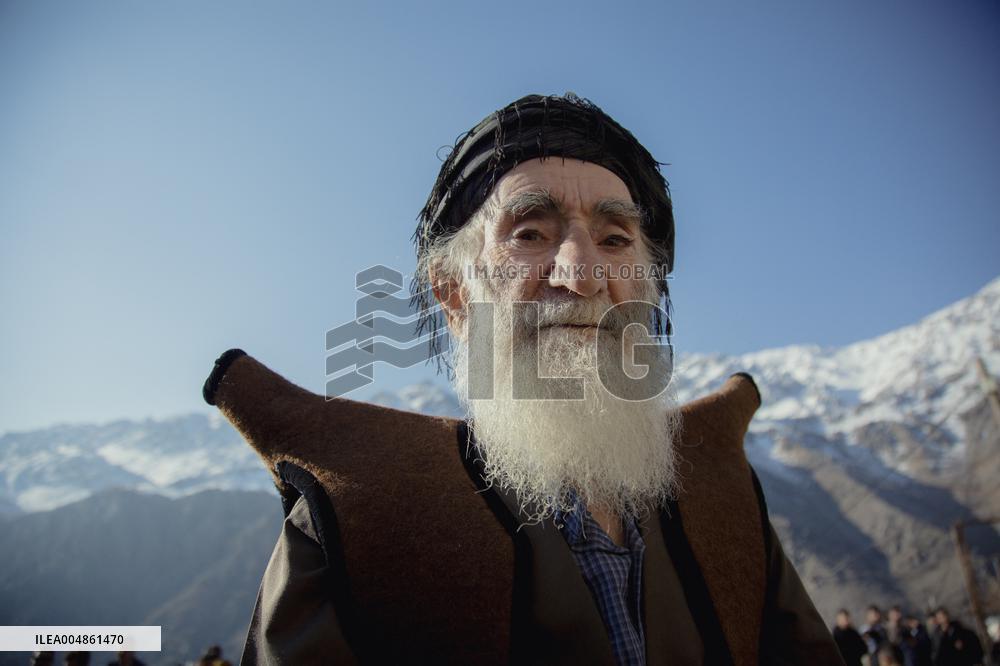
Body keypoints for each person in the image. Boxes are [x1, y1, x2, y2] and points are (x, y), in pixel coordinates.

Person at [214, 92, 846, 665]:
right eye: (531, 233)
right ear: (456, 297)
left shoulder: (724, 496)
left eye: (616, 239)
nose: (581, 274)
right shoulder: (355, 517)